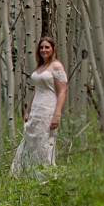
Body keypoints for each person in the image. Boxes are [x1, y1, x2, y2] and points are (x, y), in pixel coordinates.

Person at [10, 35, 68, 175]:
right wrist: (28, 111)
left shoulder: (56, 66)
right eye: (41, 47)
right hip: (36, 108)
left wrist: (56, 115)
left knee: (44, 141)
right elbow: (36, 90)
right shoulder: (41, 67)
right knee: (31, 140)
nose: (44, 50)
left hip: (48, 108)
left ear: (53, 49)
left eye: (47, 47)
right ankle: (28, 174)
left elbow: (62, 92)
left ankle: (46, 175)